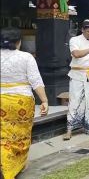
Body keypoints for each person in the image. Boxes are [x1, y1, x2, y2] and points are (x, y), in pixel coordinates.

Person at [0, 27, 49, 179]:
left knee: (3, 136)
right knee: (21, 136)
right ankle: (11, 168)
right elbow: (35, 81)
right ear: (19, 42)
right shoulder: (26, 57)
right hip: (21, 102)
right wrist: (44, 100)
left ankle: (4, 165)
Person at [64, 19, 89, 140]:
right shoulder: (74, 40)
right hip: (77, 74)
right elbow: (76, 54)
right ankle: (70, 129)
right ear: (83, 30)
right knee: (75, 100)